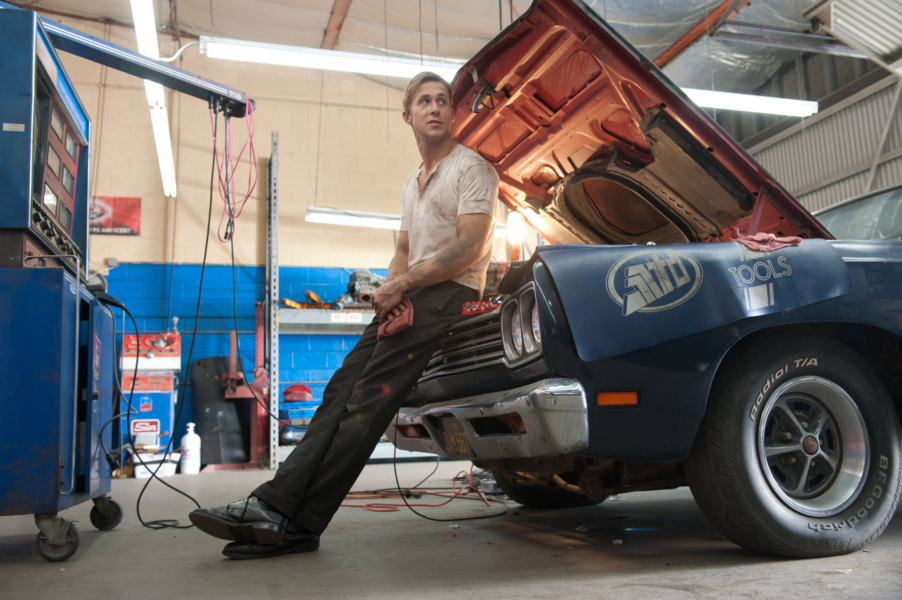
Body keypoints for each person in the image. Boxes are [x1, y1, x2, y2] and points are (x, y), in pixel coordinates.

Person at [189, 71, 500, 560]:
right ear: (408, 116)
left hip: (451, 293)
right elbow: (403, 251)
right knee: (339, 392)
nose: (436, 107)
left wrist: (405, 285)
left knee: (365, 404)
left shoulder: (472, 169)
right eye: (425, 101)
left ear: (453, 113)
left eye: (443, 100)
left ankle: (287, 514)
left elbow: (471, 246)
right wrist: (391, 291)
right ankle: (283, 511)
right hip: (416, 293)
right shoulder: (412, 183)